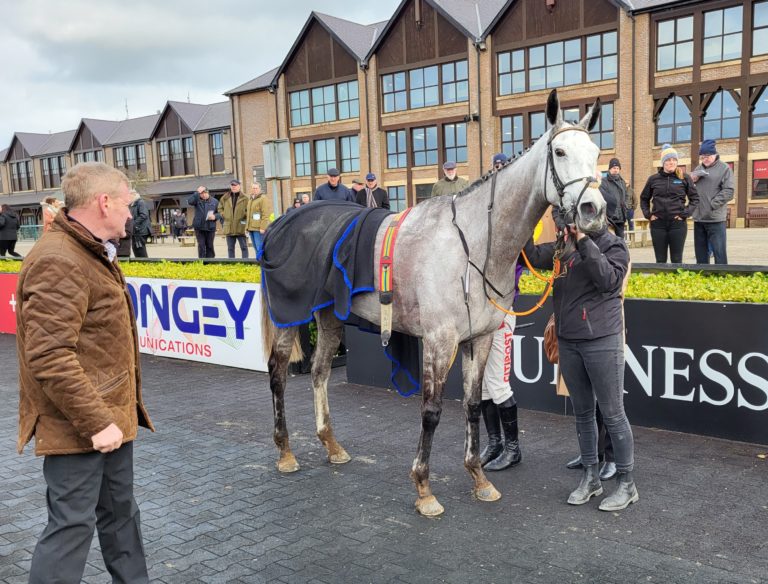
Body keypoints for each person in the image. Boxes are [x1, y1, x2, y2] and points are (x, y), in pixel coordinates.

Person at [16, 161, 154, 584]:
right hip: (81, 427)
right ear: (104, 202)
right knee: (71, 530)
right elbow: (50, 356)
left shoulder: (87, 249)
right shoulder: (60, 259)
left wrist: (110, 420)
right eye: (128, 203)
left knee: (120, 521)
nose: (133, 213)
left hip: (108, 421)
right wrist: (97, 423)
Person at [524, 210, 637, 511]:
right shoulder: (563, 246)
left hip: (602, 340)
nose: (573, 222)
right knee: (583, 414)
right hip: (569, 341)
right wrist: (524, 224)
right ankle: (591, 478)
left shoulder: (613, 244)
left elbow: (609, 281)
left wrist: (585, 241)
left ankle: (627, 484)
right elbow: (533, 257)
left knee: (613, 414)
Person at [480, 153, 523, 472]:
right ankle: (494, 443)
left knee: (498, 384)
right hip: (479, 317)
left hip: (501, 312)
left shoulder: (518, 229)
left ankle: (513, 448)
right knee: (480, 385)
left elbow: (525, 261)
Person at [640, 144, 699, 264]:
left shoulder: (685, 178)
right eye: (668, 160)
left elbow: (695, 199)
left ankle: (676, 283)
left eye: (674, 160)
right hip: (658, 225)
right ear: (663, 162)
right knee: (660, 260)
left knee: (677, 260)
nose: (671, 162)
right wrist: (648, 215)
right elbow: (643, 199)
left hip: (677, 224)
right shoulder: (653, 179)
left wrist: (684, 214)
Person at [691, 139, 734, 265]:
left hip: (715, 218)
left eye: (708, 156)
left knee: (719, 252)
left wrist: (712, 205)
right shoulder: (698, 169)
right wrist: (692, 181)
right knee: (700, 253)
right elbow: (692, 191)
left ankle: (721, 276)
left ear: (715, 154)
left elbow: (729, 191)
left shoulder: (724, 168)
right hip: (699, 218)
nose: (705, 159)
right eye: (702, 157)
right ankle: (703, 276)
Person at [187, 186, 221, 259]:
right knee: (201, 246)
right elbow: (190, 201)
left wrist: (215, 216)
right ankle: (202, 262)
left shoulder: (215, 201)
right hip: (199, 228)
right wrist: (196, 193)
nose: (203, 195)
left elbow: (221, 213)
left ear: (208, 192)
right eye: (201, 194)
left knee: (210, 245)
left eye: (205, 193)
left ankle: (211, 261)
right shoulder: (197, 200)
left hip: (210, 227)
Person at [600, 158, 629, 239]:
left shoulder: (622, 182)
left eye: (617, 168)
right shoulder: (604, 181)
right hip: (609, 217)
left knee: (621, 239)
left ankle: (622, 252)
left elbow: (626, 196)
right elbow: (602, 197)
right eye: (613, 168)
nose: (615, 170)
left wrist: (626, 207)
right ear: (609, 169)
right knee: (610, 240)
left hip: (621, 217)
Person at [220, 179, 249, 258]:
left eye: (235, 185)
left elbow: (249, 209)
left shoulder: (246, 198)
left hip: (241, 226)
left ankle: (245, 262)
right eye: (232, 185)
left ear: (239, 186)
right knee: (230, 248)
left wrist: (244, 214)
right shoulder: (225, 197)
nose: (234, 187)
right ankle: (231, 263)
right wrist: (223, 214)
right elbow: (220, 208)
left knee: (244, 247)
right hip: (229, 227)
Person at [246, 182, 271, 255]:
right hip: (251, 228)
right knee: (255, 248)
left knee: (260, 247)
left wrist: (263, 227)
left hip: (259, 228)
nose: (254, 190)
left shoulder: (263, 199)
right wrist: (246, 227)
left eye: (256, 188)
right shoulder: (251, 199)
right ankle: (258, 262)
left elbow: (265, 214)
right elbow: (248, 215)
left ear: (259, 189)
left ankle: (262, 264)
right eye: (253, 188)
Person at [129, 191, 151, 258]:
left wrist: (133, 223)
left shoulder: (141, 203)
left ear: (134, 195)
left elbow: (144, 215)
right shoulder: (133, 204)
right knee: (136, 249)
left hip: (141, 231)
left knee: (141, 250)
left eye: (130, 196)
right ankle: (140, 263)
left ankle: (145, 264)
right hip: (136, 231)